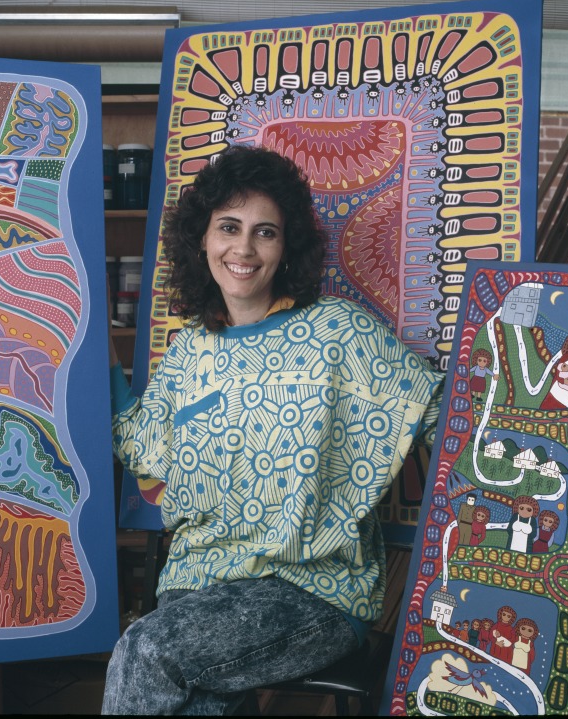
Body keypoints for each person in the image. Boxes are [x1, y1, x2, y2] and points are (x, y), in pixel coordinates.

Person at [101, 145, 445, 715]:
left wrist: (558, 326)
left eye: (265, 232)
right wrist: (99, 347)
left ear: (286, 248)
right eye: (228, 227)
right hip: (197, 583)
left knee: (148, 649)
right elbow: (141, 444)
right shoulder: (189, 349)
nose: (243, 248)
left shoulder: (339, 332)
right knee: (195, 699)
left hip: (311, 591)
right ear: (202, 240)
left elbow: (444, 412)